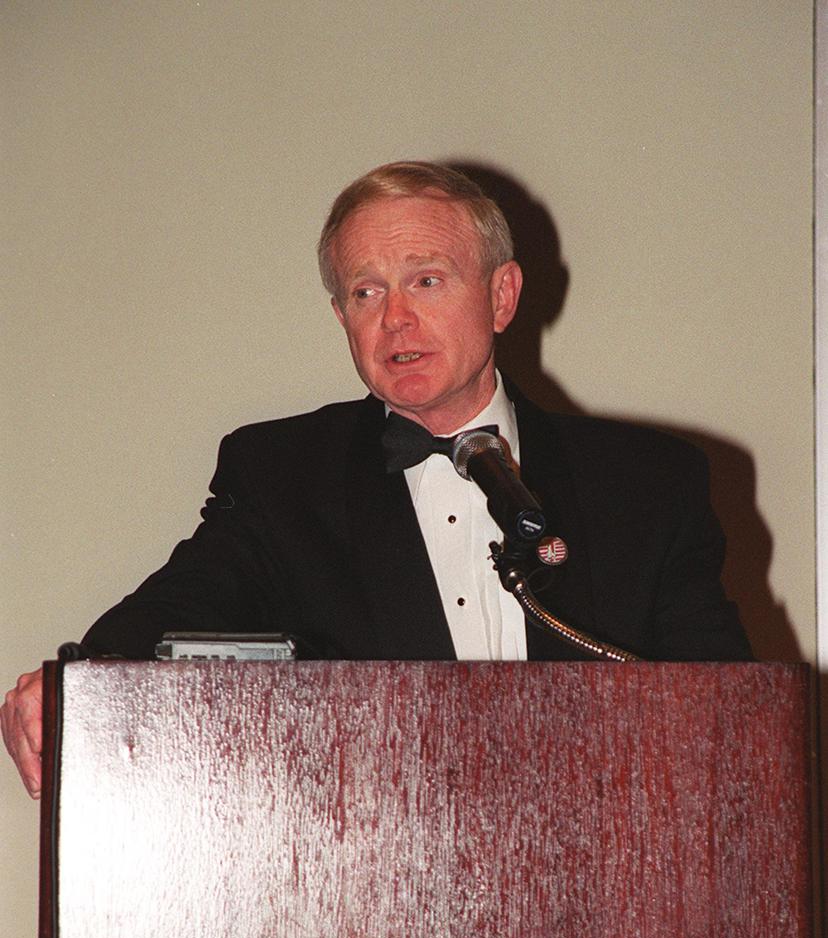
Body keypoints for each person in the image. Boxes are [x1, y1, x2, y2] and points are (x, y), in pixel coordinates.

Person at [1, 161, 751, 798]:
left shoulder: (649, 483)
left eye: (426, 281)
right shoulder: (282, 476)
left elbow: (734, 720)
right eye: (366, 292)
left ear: (502, 296)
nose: (396, 318)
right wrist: (72, 684)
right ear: (340, 316)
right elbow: (182, 598)